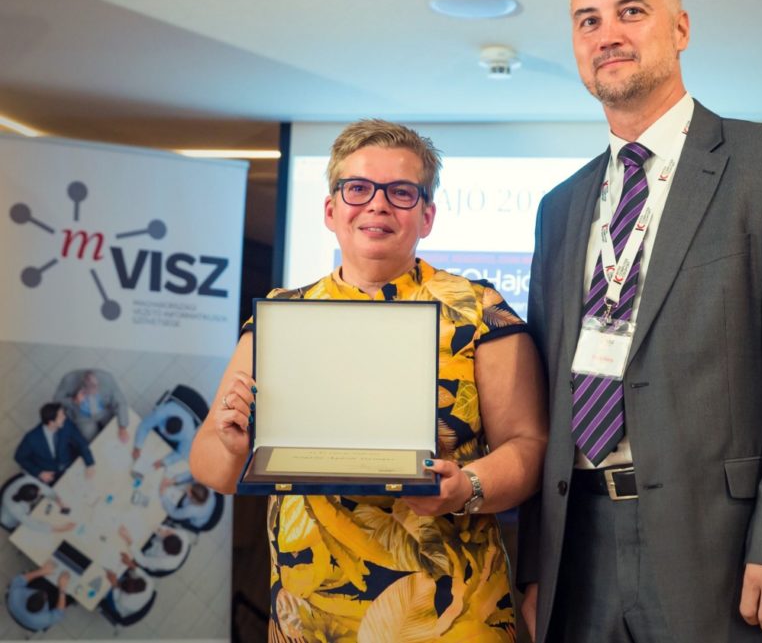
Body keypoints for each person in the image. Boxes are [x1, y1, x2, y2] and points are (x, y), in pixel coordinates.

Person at [518, 0, 762, 642]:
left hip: (724, 546)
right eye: (587, 21)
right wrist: (534, 563)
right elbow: (545, 393)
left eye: (630, 12)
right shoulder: (560, 206)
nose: (607, 34)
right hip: (577, 548)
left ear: (680, 28)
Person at [189, 119, 548, 641]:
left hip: (452, 611)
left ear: (426, 216)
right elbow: (212, 468)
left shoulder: (479, 311)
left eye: (401, 192)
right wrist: (229, 443)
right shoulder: (282, 317)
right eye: (357, 188)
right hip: (310, 612)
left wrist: (466, 488)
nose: (377, 205)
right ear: (331, 210)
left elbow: (529, 444)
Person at [14, 402, 95, 483]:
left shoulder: (66, 424)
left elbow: (81, 442)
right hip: (51, 475)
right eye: (61, 416)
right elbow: (19, 457)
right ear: (51, 423)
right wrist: (39, 473)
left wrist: (89, 463)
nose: (64, 417)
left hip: (69, 464)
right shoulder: (31, 439)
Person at [53, 368, 130, 442]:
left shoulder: (107, 379)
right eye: (88, 390)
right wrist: (73, 400)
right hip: (83, 417)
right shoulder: (68, 380)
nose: (92, 392)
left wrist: (122, 426)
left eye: (95, 387)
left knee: (115, 431)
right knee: (94, 440)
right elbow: (56, 401)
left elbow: (120, 402)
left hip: (104, 411)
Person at [132, 396, 198, 469]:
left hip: (175, 439)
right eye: (166, 430)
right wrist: (138, 446)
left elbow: (181, 453)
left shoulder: (188, 435)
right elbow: (144, 426)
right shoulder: (160, 413)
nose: (165, 434)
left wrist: (164, 462)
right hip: (170, 410)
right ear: (167, 419)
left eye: (169, 433)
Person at [5, 561, 70, 632]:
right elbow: (59, 612)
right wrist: (62, 588)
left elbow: (20, 579)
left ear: (27, 598)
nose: (45, 593)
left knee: (44, 581)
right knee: (68, 596)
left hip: (19, 609)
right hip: (34, 621)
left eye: (39, 593)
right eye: (45, 597)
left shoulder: (15, 595)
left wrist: (42, 571)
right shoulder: (43, 619)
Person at [0, 474, 75, 533]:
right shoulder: (16, 509)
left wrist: (59, 502)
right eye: (39, 494)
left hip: (10, 496)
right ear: (30, 501)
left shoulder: (28, 480)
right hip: (7, 519)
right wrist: (61, 529)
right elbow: (33, 525)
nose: (41, 491)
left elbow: (45, 490)